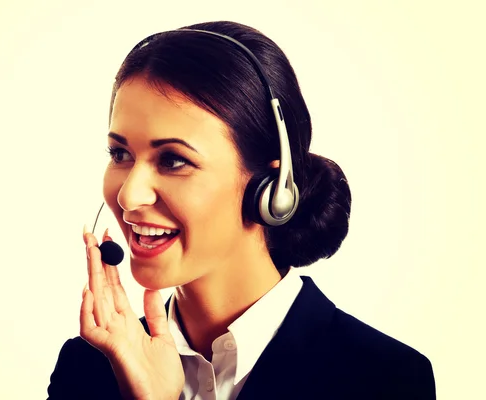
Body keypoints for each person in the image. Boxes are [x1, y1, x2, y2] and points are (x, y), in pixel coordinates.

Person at [46, 21, 436, 399]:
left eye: (174, 160)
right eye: (121, 154)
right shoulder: (87, 369)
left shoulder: (384, 379)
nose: (130, 196)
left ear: (271, 189)